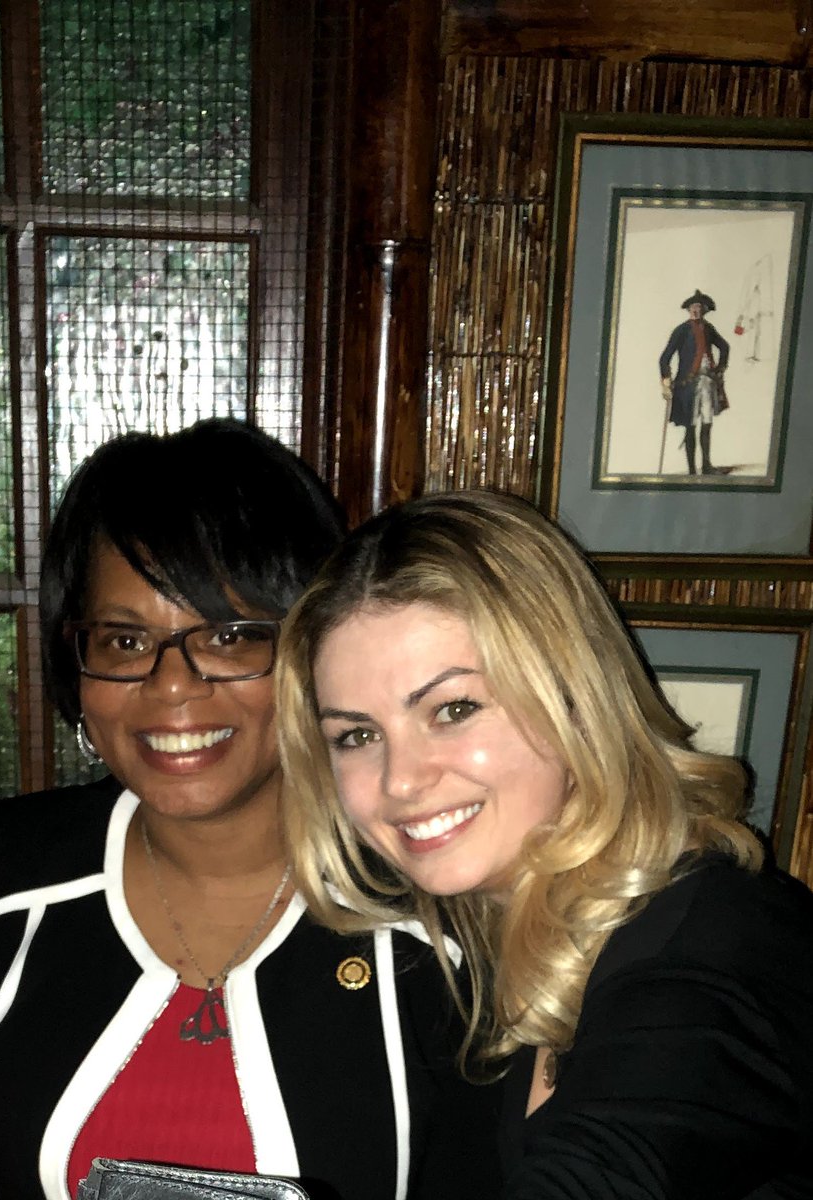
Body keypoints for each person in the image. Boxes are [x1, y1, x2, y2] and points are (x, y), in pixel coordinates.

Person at [0, 421, 504, 1200]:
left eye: (228, 635)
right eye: (124, 642)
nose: (170, 686)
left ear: (313, 650)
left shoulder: (446, 914)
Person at [276, 489, 813, 1200]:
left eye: (454, 709)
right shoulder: (482, 934)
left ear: (574, 697)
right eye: (357, 735)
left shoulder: (714, 942)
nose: (399, 781)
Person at [659, 288, 730, 475]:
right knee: (690, 426)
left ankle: (706, 466)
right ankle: (691, 471)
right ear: (689, 309)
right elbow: (664, 358)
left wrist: (720, 368)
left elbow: (724, 347)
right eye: (693, 307)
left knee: (707, 423)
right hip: (688, 385)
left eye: (699, 307)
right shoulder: (681, 330)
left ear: (704, 310)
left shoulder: (709, 328)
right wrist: (665, 381)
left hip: (708, 383)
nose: (696, 310)